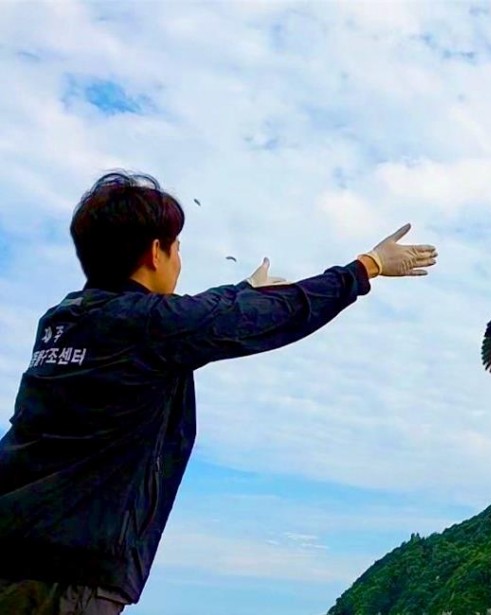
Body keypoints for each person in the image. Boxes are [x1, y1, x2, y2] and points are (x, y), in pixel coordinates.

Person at [0, 171, 437, 613]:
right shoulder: (148, 327)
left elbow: (195, 316)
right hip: (64, 580)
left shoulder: (64, 319)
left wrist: (244, 292)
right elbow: (256, 318)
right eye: (177, 248)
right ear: (156, 252)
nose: (179, 261)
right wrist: (366, 267)